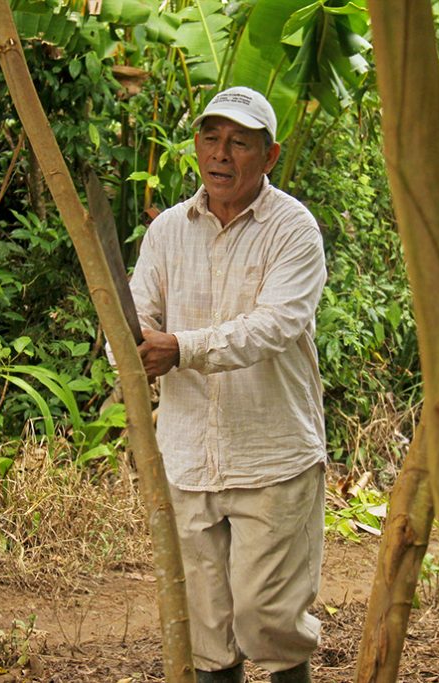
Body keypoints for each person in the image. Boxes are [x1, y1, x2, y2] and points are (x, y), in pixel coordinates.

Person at [127, 86, 327, 683]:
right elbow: (139, 313)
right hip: (187, 455)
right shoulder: (167, 231)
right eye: (210, 138)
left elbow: (274, 326)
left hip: (272, 455)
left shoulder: (293, 229)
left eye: (239, 142)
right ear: (196, 147)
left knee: (269, 617)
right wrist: (133, 341)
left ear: (268, 157)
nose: (221, 153)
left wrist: (180, 348)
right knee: (208, 630)